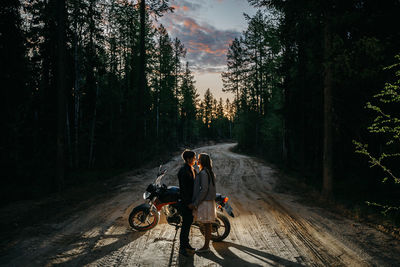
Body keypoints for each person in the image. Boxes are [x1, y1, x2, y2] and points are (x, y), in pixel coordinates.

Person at [191, 153, 217, 253]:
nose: (197, 160)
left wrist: (196, 202)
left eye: (199, 159)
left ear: (202, 161)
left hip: (205, 202)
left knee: (206, 225)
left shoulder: (203, 173)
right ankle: (206, 246)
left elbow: (204, 189)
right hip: (208, 201)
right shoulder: (209, 171)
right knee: (207, 225)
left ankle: (206, 247)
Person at [177, 149, 196, 256]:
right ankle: (182, 248)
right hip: (186, 202)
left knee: (188, 224)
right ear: (188, 159)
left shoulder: (190, 168)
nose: (195, 159)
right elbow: (183, 189)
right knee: (185, 225)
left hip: (189, 201)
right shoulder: (184, 171)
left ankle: (186, 243)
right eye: (193, 158)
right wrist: (188, 203)